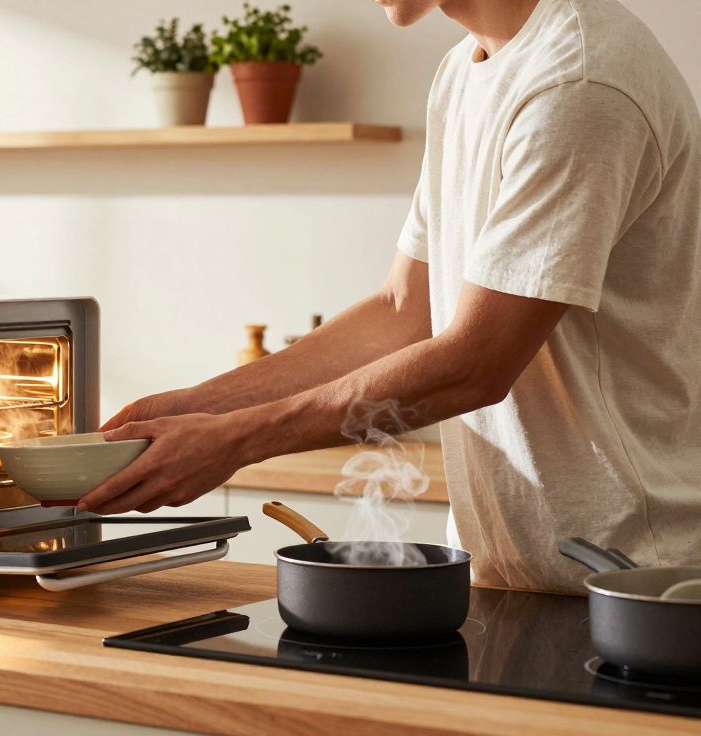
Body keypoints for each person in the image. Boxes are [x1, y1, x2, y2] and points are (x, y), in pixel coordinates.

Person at [79, 0, 701, 594]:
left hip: (639, 578)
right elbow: (406, 311)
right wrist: (199, 407)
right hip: (519, 574)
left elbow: (478, 364)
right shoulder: (466, 70)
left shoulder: (580, 85)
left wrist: (237, 440)